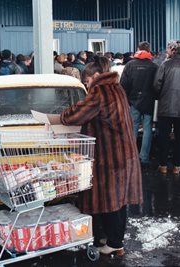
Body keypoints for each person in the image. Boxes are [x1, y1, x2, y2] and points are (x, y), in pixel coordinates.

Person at [61, 56, 142, 256]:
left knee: (111, 199)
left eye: (87, 82)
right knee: (118, 200)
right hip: (123, 152)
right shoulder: (117, 88)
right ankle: (113, 239)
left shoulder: (99, 92)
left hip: (110, 156)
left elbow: (75, 115)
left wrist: (61, 116)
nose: (87, 86)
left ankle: (114, 243)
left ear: (95, 76)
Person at [153, 40, 180, 175]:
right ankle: (177, 166)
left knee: (163, 137)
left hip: (165, 108)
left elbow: (156, 85)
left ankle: (163, 165)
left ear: (173, 50)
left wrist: (160, 97)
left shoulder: (165, 65)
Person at [120, 41, 159, 167]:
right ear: (149, 50)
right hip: (149, 102)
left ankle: (131, 157)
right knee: (148, 129)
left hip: (133, 101)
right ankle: (144, 157)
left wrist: (126, 100)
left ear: (138, 49)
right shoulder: (154, 66)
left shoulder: (130, 65)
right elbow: (157, 85)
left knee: (133, 128)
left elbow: (123, 84)